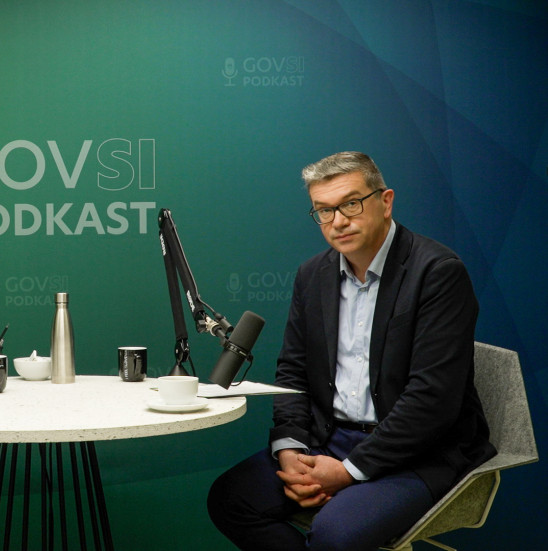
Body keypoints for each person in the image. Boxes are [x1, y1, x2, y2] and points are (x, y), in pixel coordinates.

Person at [206, 152, 496, 550]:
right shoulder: (312, 275)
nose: (338, 221)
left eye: (351, 204)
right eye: (324, 211)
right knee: (231, 499)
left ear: (386, 200)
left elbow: (432, 399)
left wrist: (348, 470)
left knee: (334, 535)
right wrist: (290, 447)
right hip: (330, 438)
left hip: (421, 452)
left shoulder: (438, 272)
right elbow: (293, 372)